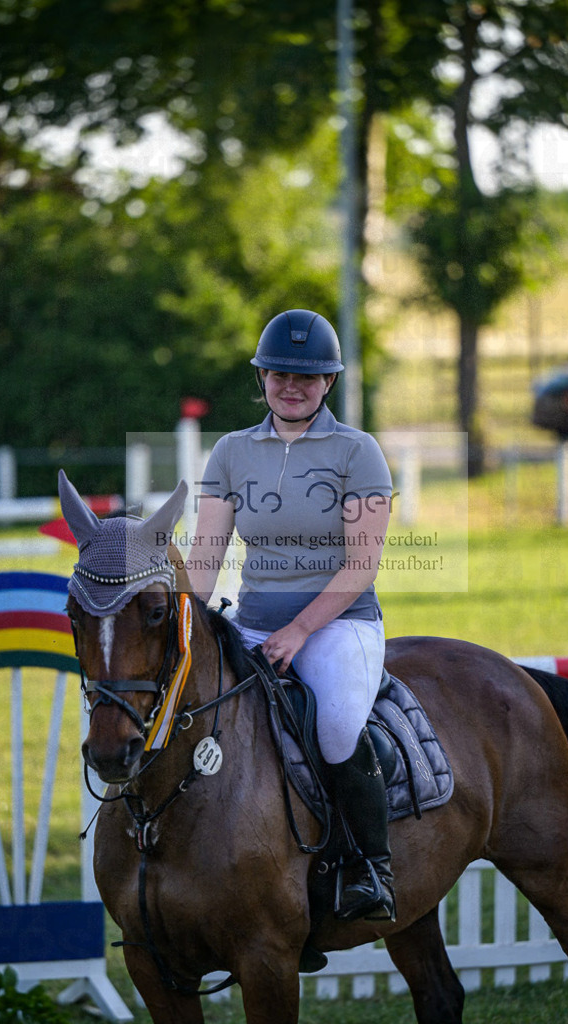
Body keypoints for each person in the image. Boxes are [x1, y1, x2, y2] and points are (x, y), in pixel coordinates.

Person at [186, 308, 395, 922]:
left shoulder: (359, 452)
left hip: (340, 624)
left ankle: (370, 867)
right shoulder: (230, 452)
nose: (291, 386)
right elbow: (205, 558)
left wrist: (301, 630)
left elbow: (362, 565)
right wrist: (188, 625)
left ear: (329, 381)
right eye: (278, 374)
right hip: (250, 622)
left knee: (333, 724)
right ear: (262, 378)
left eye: (307, 377)